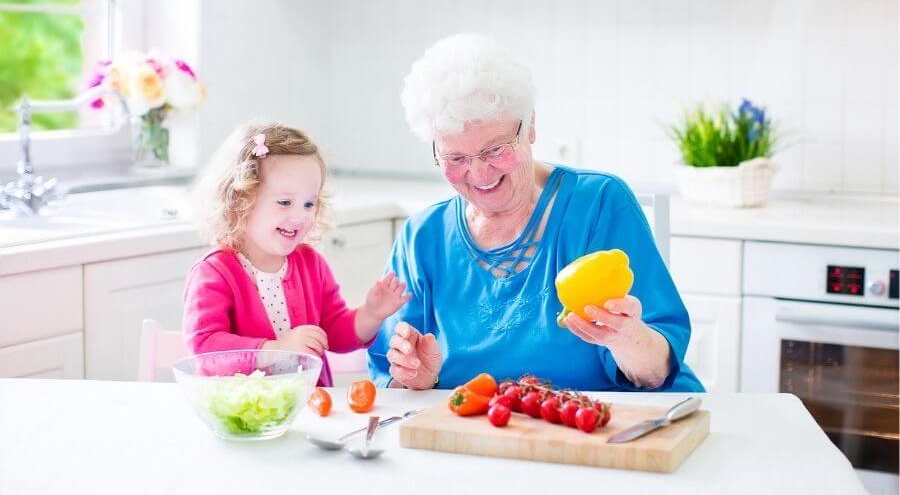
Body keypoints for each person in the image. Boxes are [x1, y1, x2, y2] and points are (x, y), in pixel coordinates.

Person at [368, 34, 704, 392]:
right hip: (479, 437)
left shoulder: (599, 204)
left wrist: (626, 338)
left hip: (598, 431)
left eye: (495, 149)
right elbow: (390, 377)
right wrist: (415, 378)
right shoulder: (423, 237)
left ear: (529, 125)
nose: (480, 174)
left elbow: (653, 374)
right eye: (456, 158)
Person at [183, 121, 410, 386]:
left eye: (309, 203)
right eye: (284, 202)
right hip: (242, 418)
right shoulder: (213, 273)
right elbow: (206, 347)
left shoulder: (311, 264)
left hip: (310, 408)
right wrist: (274, 349)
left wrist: (370, 315)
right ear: (240, 199)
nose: (299, 215)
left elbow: (333, 333)